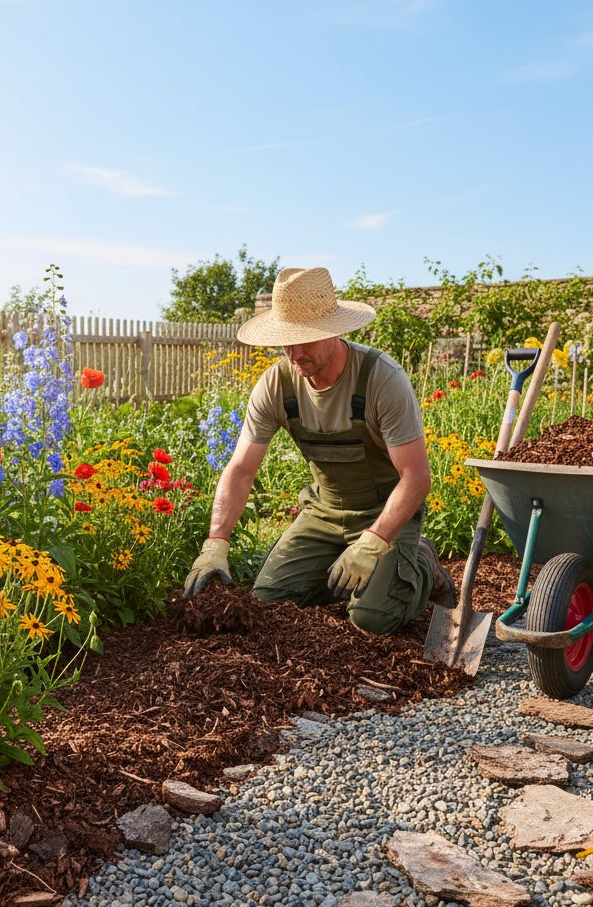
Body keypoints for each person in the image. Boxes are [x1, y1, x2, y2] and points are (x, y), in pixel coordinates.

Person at [183, 265, 455, 634]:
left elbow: (416, 477)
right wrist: (216, 542)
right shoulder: (277, 384)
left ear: (334, 330)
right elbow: (241, 469)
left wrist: (373, 542)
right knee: (268, 600)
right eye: (286, 340)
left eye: (304, 339)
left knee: (371, 618)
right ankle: (355, 576)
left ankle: (421, 562)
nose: (293, 352)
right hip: (323, 512)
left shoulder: (380, 378)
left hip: (384, 512)